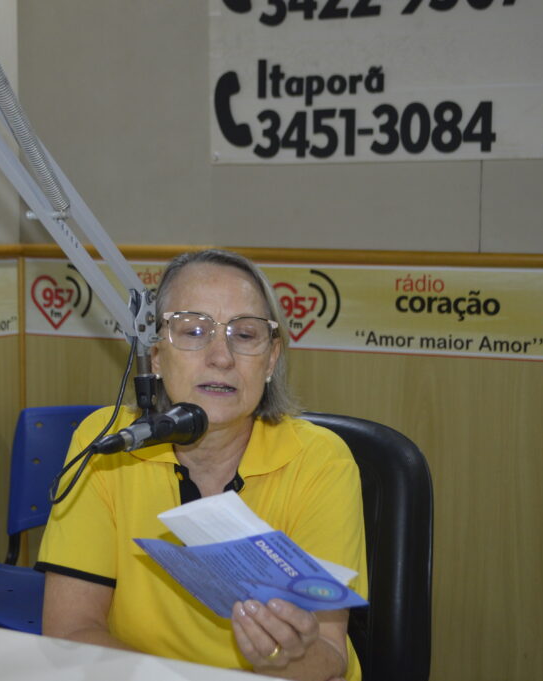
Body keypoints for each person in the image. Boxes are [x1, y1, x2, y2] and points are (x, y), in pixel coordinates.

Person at [35, 249, 367, 681]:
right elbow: (70, 631)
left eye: (245, 335)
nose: (221, 357)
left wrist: (289, 655)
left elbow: (329, 658)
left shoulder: (321, 461)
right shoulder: (107, 445)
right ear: (155, 356)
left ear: (270, 360)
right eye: (193, 330)